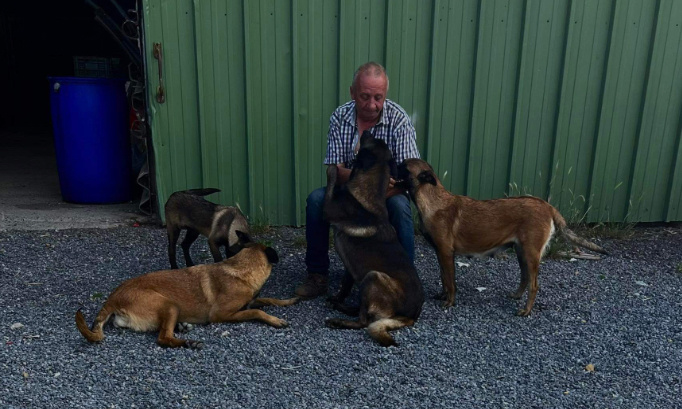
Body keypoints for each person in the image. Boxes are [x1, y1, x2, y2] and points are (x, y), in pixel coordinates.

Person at [295, 62, 421, 299]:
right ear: (352, 93)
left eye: (378, 97)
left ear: (385, 95)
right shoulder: (340, 117)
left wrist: (370, 184)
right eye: (364, 96)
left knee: (401, 207)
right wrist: (375, 179)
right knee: (316, 200)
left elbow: (410, 178)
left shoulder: (399, 120)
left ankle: (405, 281)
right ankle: (317, 275)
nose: (371, 105)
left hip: (386, 197)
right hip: (350, 194)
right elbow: (333, 171)